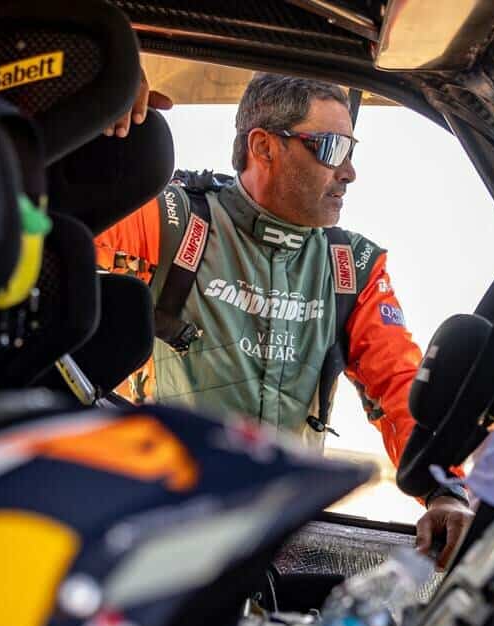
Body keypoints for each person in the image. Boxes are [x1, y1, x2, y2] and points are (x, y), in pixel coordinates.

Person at [96, 72, 473, 568]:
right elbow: (55, 225)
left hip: (281, 541)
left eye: (352, 150)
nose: (349, 172)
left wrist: (445, 490)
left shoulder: (351, 266)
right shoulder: (171, 221)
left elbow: (400, 385)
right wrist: (95, 113)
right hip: (162, 534)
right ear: (264, 147)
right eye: (333, 149)